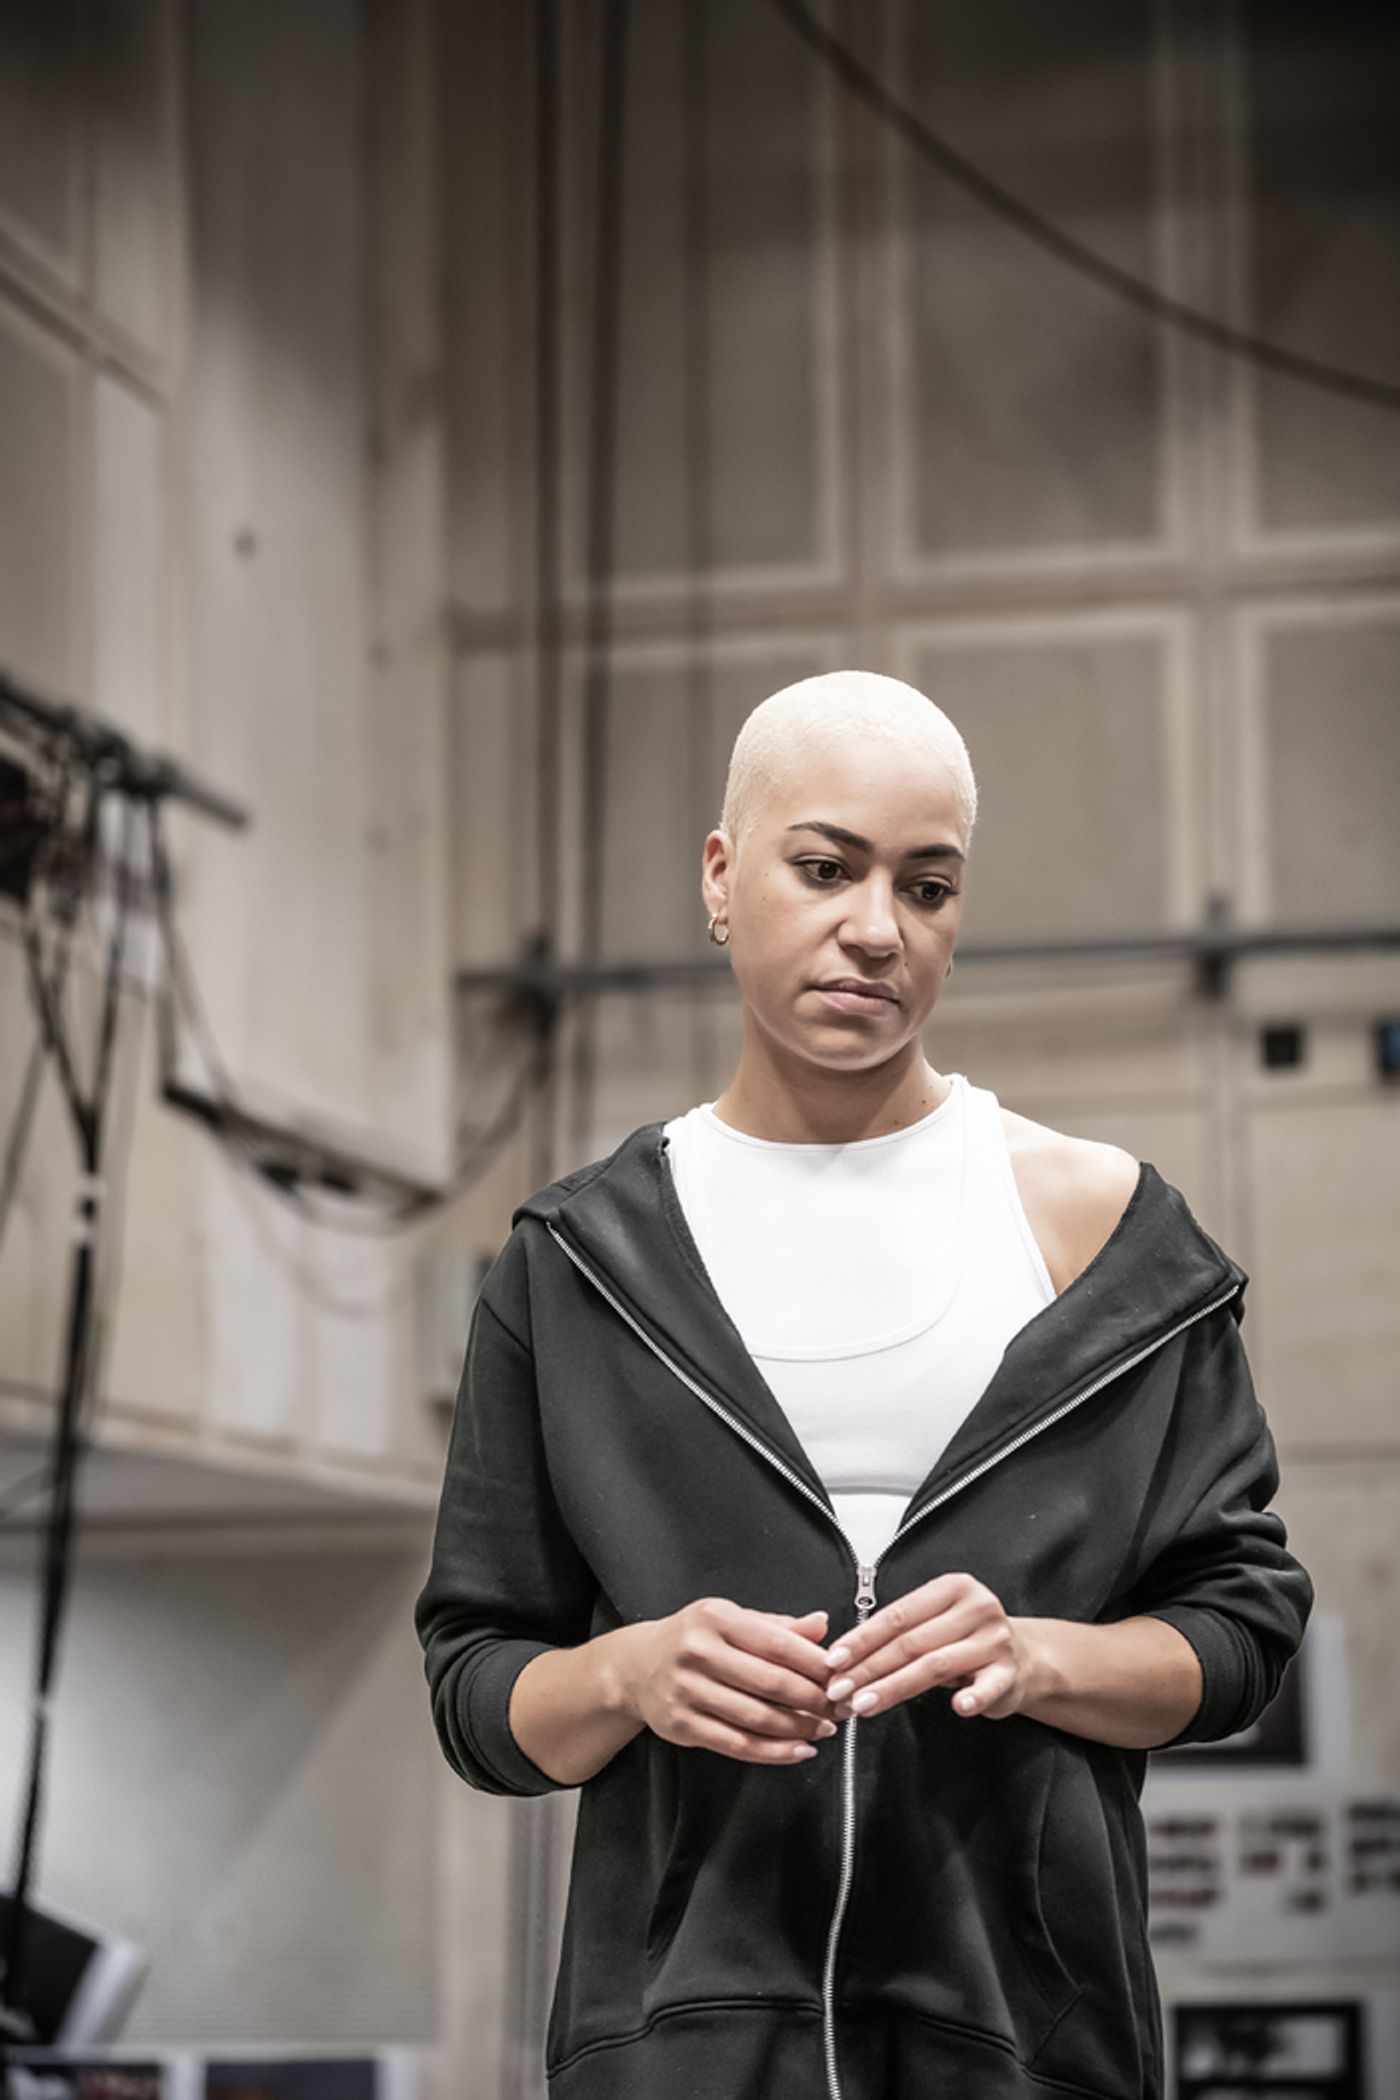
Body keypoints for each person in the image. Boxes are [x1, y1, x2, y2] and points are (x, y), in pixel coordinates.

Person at [416, 670, 1313, 2100]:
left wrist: (1043, 1656)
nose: (877, 930)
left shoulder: (1113, 1242)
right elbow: (477, 1686)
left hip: (1029, 2045)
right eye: (825, 868)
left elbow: (1241, 1631)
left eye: (929, 886)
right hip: (686, 2057)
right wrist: (633, 1673)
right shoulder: (579, 1265)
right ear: (722, 876)